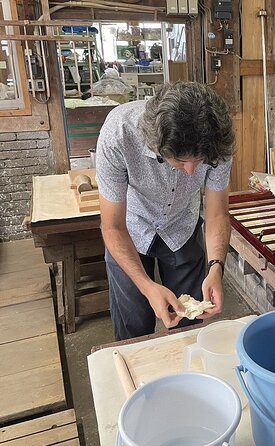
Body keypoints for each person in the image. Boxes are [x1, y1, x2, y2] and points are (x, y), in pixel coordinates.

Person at [96, 82, 235, 341]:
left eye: (200, 161)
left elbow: (217, 214)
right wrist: (148, 287)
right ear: (157, 146)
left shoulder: (217, 140)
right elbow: (112, 226)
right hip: (131, 230)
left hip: (182, 226)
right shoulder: (119, 133)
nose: (193, 171)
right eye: (181, 161)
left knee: (191, 323)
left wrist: (216, 268)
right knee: (133, 328)